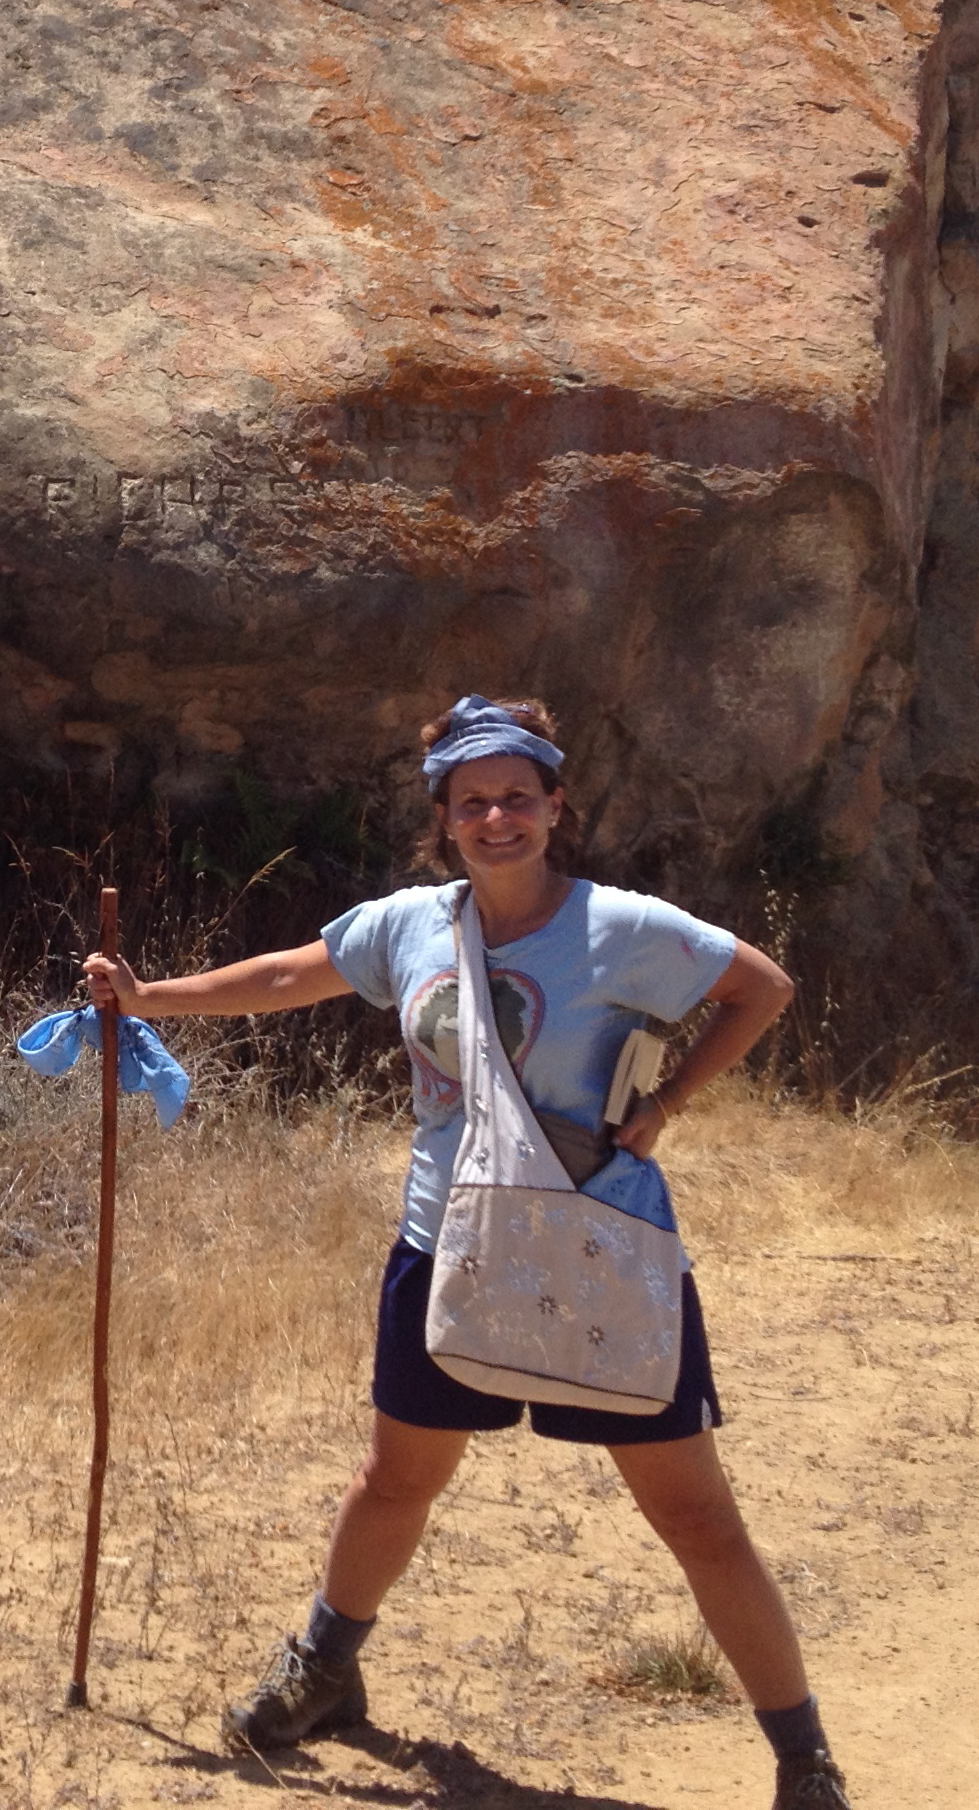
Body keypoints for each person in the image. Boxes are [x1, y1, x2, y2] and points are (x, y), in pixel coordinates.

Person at [79, 695, 854, 1810]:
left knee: (694, 1516)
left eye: (517, 798)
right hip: (444, 1243)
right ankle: (326, 1670)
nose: (498, 819)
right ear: (444, 818)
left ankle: (803, 1758)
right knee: (398, 1478)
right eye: (474, 802)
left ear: (555, 806)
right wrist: (149, 998)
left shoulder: (621, 927)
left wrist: (668, 1103)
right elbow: (290, 976)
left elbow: (761, 988)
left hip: (598, 1248)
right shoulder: (408, 927)